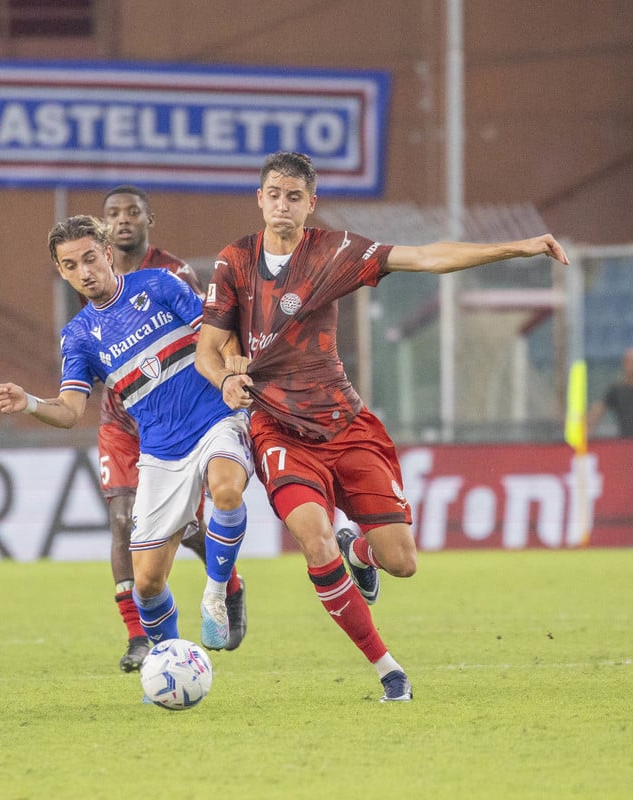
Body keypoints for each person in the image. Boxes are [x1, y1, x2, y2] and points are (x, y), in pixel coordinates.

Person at [195, 151, 570, 702]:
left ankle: (362, 551)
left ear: (310, 204)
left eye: (294, 196)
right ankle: (388, 668)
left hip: (345, 425)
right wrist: (226, 381)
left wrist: (518, 247)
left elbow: (425, 256)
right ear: (259, 198)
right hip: (278, 431)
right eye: (273, 193)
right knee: (313, 539)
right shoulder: (234, 262)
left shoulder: (334, 251)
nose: (282, 204)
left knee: (402, 562)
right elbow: (207, 350)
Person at [0, 214, 253, 660]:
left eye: (90, 259)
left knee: (226, 490)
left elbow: (219, 335)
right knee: (148, 584)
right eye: (70, 266)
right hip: (160, 451)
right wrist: (31, 403)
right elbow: (70, 411)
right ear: (61, 270)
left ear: (108, 254)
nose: (84, 273)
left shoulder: (159, 284)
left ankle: (217, 592)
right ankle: (173, 662)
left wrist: (232, 371)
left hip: (214, 419)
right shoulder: (77, 337)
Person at [96, 186, 247, 671]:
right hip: (122, 418)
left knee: (184, 528)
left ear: (148, 220)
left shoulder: (172, 274)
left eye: (132, 213)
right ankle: (139, 638)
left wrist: (229, 372)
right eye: (114, 214)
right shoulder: (93, 274)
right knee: (121, 520)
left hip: (181, 414)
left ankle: (229, 585)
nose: (123, 221)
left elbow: (209, 332)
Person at [587, 347, 633, 438]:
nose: (631, 366)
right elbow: (598, 410)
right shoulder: (617, 389)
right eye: (628, 362)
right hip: (625, 442)